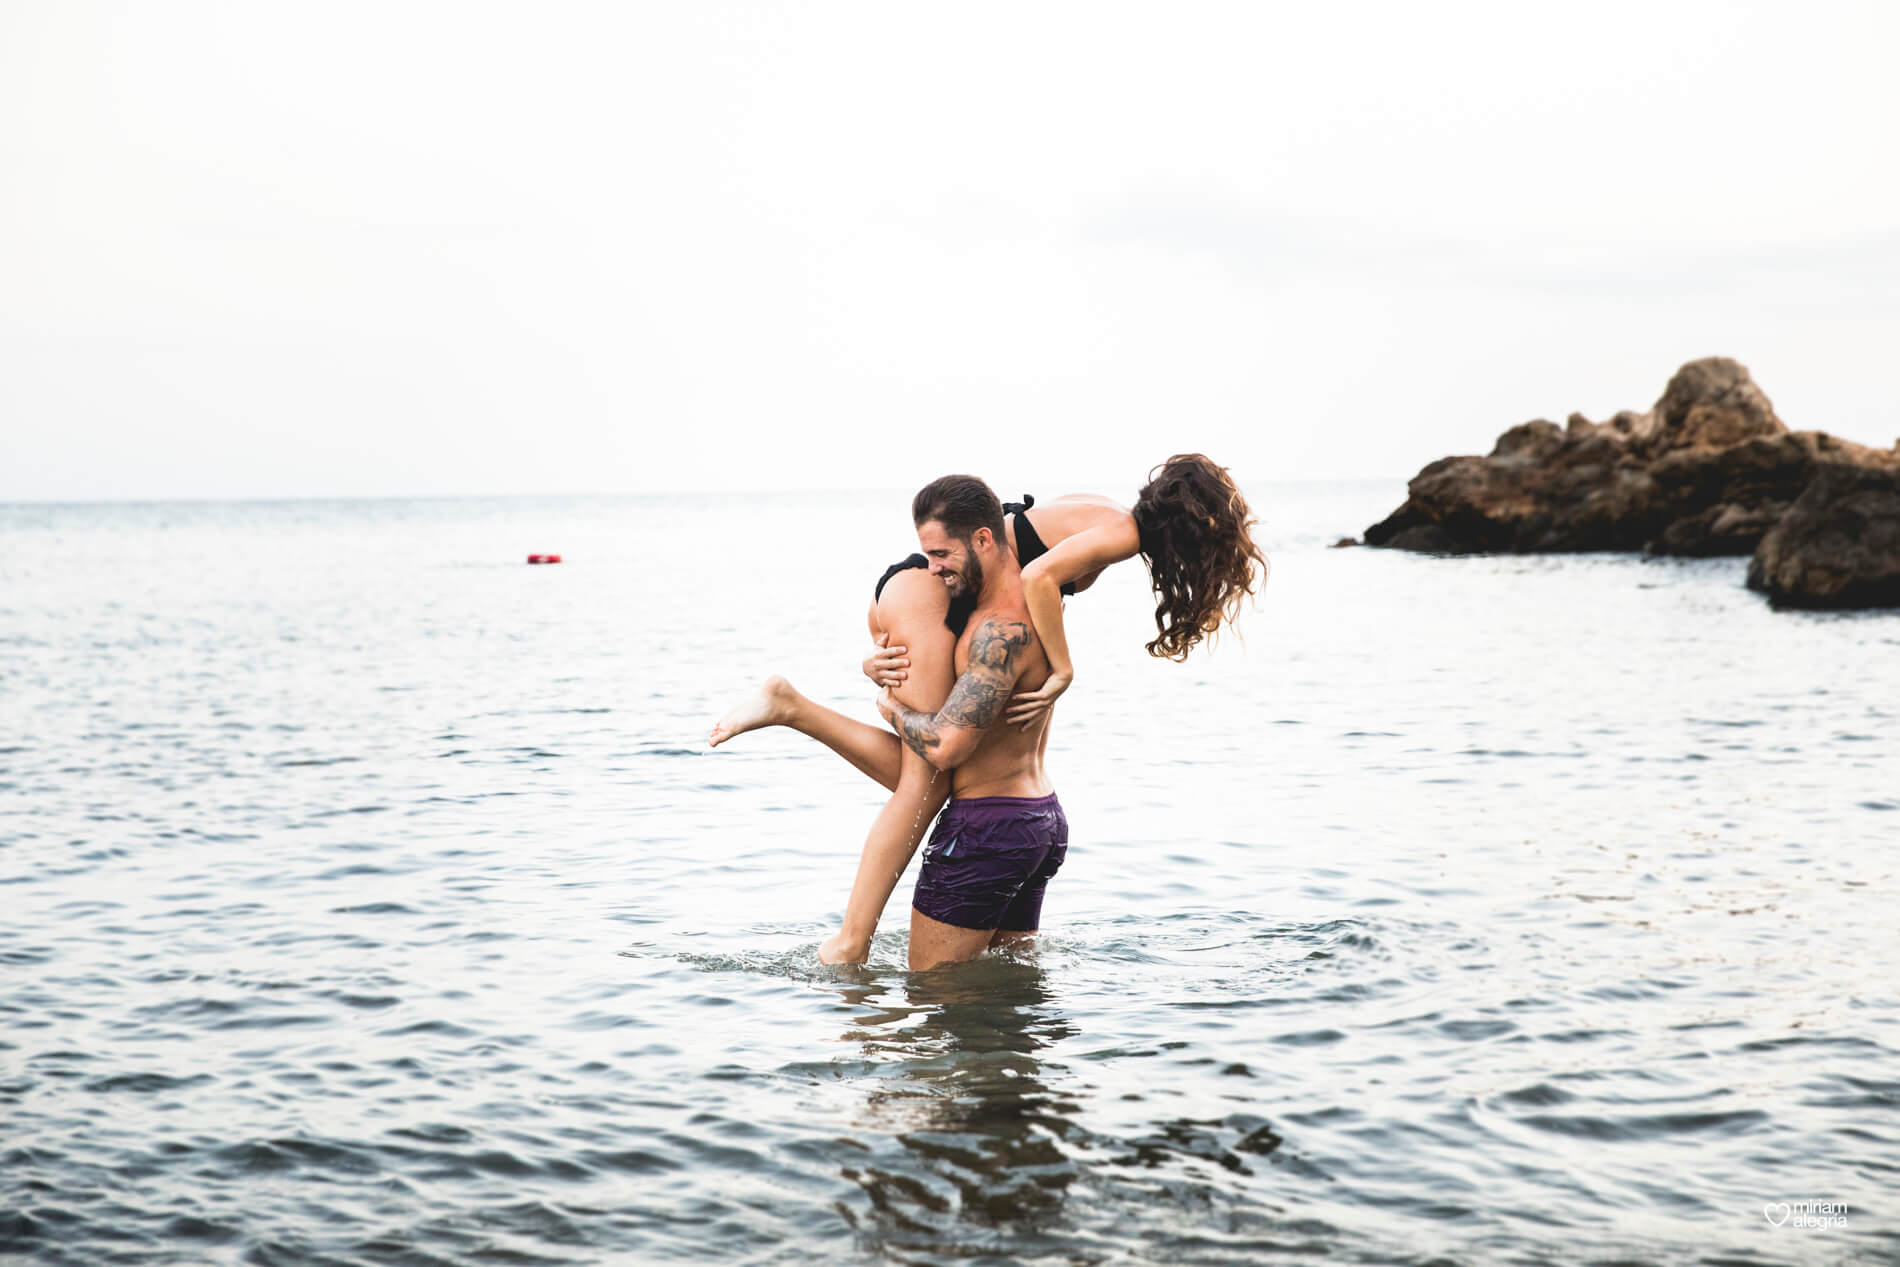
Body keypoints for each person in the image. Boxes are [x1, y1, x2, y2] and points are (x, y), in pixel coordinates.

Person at [708, 454, 1267, 964]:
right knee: (925, 781)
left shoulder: (1095, 524)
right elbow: (1038, 576)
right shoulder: (1113, 536)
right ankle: (852, 933)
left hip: (996, 811)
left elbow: (1032, 580)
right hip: (931, 619)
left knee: (930, 772)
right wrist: (1063, 669)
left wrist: (891, 702)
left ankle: (794, 714)